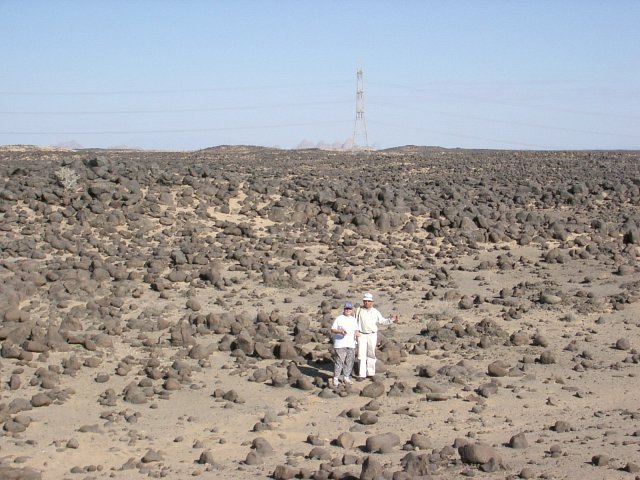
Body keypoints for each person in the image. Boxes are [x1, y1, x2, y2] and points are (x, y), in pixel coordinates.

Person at [355, 292, 398, 379]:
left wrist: (391, 320)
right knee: (361, 355)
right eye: (365, 301)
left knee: (371, 353)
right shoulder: (359, 310)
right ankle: (362, 374)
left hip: (372, 335)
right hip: (361, 335)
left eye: (368, 301)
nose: (366, 302)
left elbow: (382, 321)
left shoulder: (375, 311)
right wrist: (355, 332)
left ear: (372, 302)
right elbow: (355, 322)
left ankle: (370, 373)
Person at [330, 301, 360, 387]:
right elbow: (332, 329)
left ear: (352, 310)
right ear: (344, 309)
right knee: (339, 362)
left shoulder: (353, 319)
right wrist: (340, 331)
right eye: (346, 308)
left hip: (351, 344)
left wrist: (357, 333)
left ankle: (346, 377)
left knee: (349, 362)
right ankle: (335, 378)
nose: (348, 310)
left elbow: (356, 329)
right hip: (340, 344)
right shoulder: (339, 318)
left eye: (349, 309)